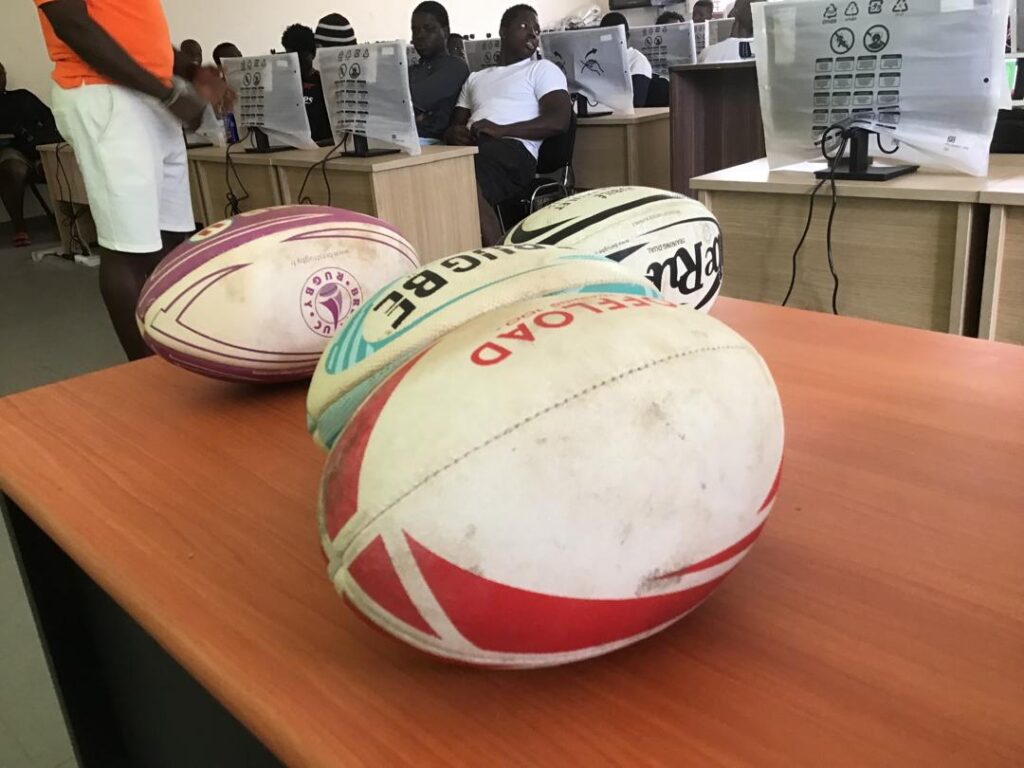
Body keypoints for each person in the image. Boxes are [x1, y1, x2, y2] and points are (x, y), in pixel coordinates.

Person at [32, 0, 230, 361]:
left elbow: (133, 28)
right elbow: (73, 25)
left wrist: (188, 71)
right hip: (104, 93)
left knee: (172, 240)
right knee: (130, 249)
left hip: (153, 93)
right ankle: (146, 373)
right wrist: (169, 93)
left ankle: (180, 354)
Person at [444, 4, 570, 246]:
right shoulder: (476, 78)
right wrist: (453, 134)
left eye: (537, 30)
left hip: (513, 149)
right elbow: (454, 126)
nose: (533, 33)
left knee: (462, 177)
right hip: (474, 146)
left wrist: (502, 130)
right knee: (436, 172)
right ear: (503, 31)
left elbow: (559, 120)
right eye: (524, 26)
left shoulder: (542, 69)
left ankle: (498, 255)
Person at [0, 61, 61, 247]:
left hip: (39, 148)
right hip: (11, 152)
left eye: (2, 74)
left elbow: (51, 121)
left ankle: (71, 223)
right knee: (12, 167)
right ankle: (19, 227)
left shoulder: (22, 97)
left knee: (64, 160)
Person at [409, 2, 469, 142]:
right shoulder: (411, 70)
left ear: (445, 32)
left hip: (431, 144)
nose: (420, 36)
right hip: (403, 139)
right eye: (415, 30)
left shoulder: (454, 66)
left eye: (428, 29)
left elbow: (410, 99)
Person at [281, 24, 332, 143]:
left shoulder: (324, 84)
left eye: (298, 56)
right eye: (288, 56)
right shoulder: (283, 85)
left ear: (311, 54)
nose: (292, 62)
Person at [600, 12, 652, 109]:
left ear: (627, 36)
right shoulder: (599, 60)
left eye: (614, 37)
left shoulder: (637, 61)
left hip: (624, 115)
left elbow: (636, 102)